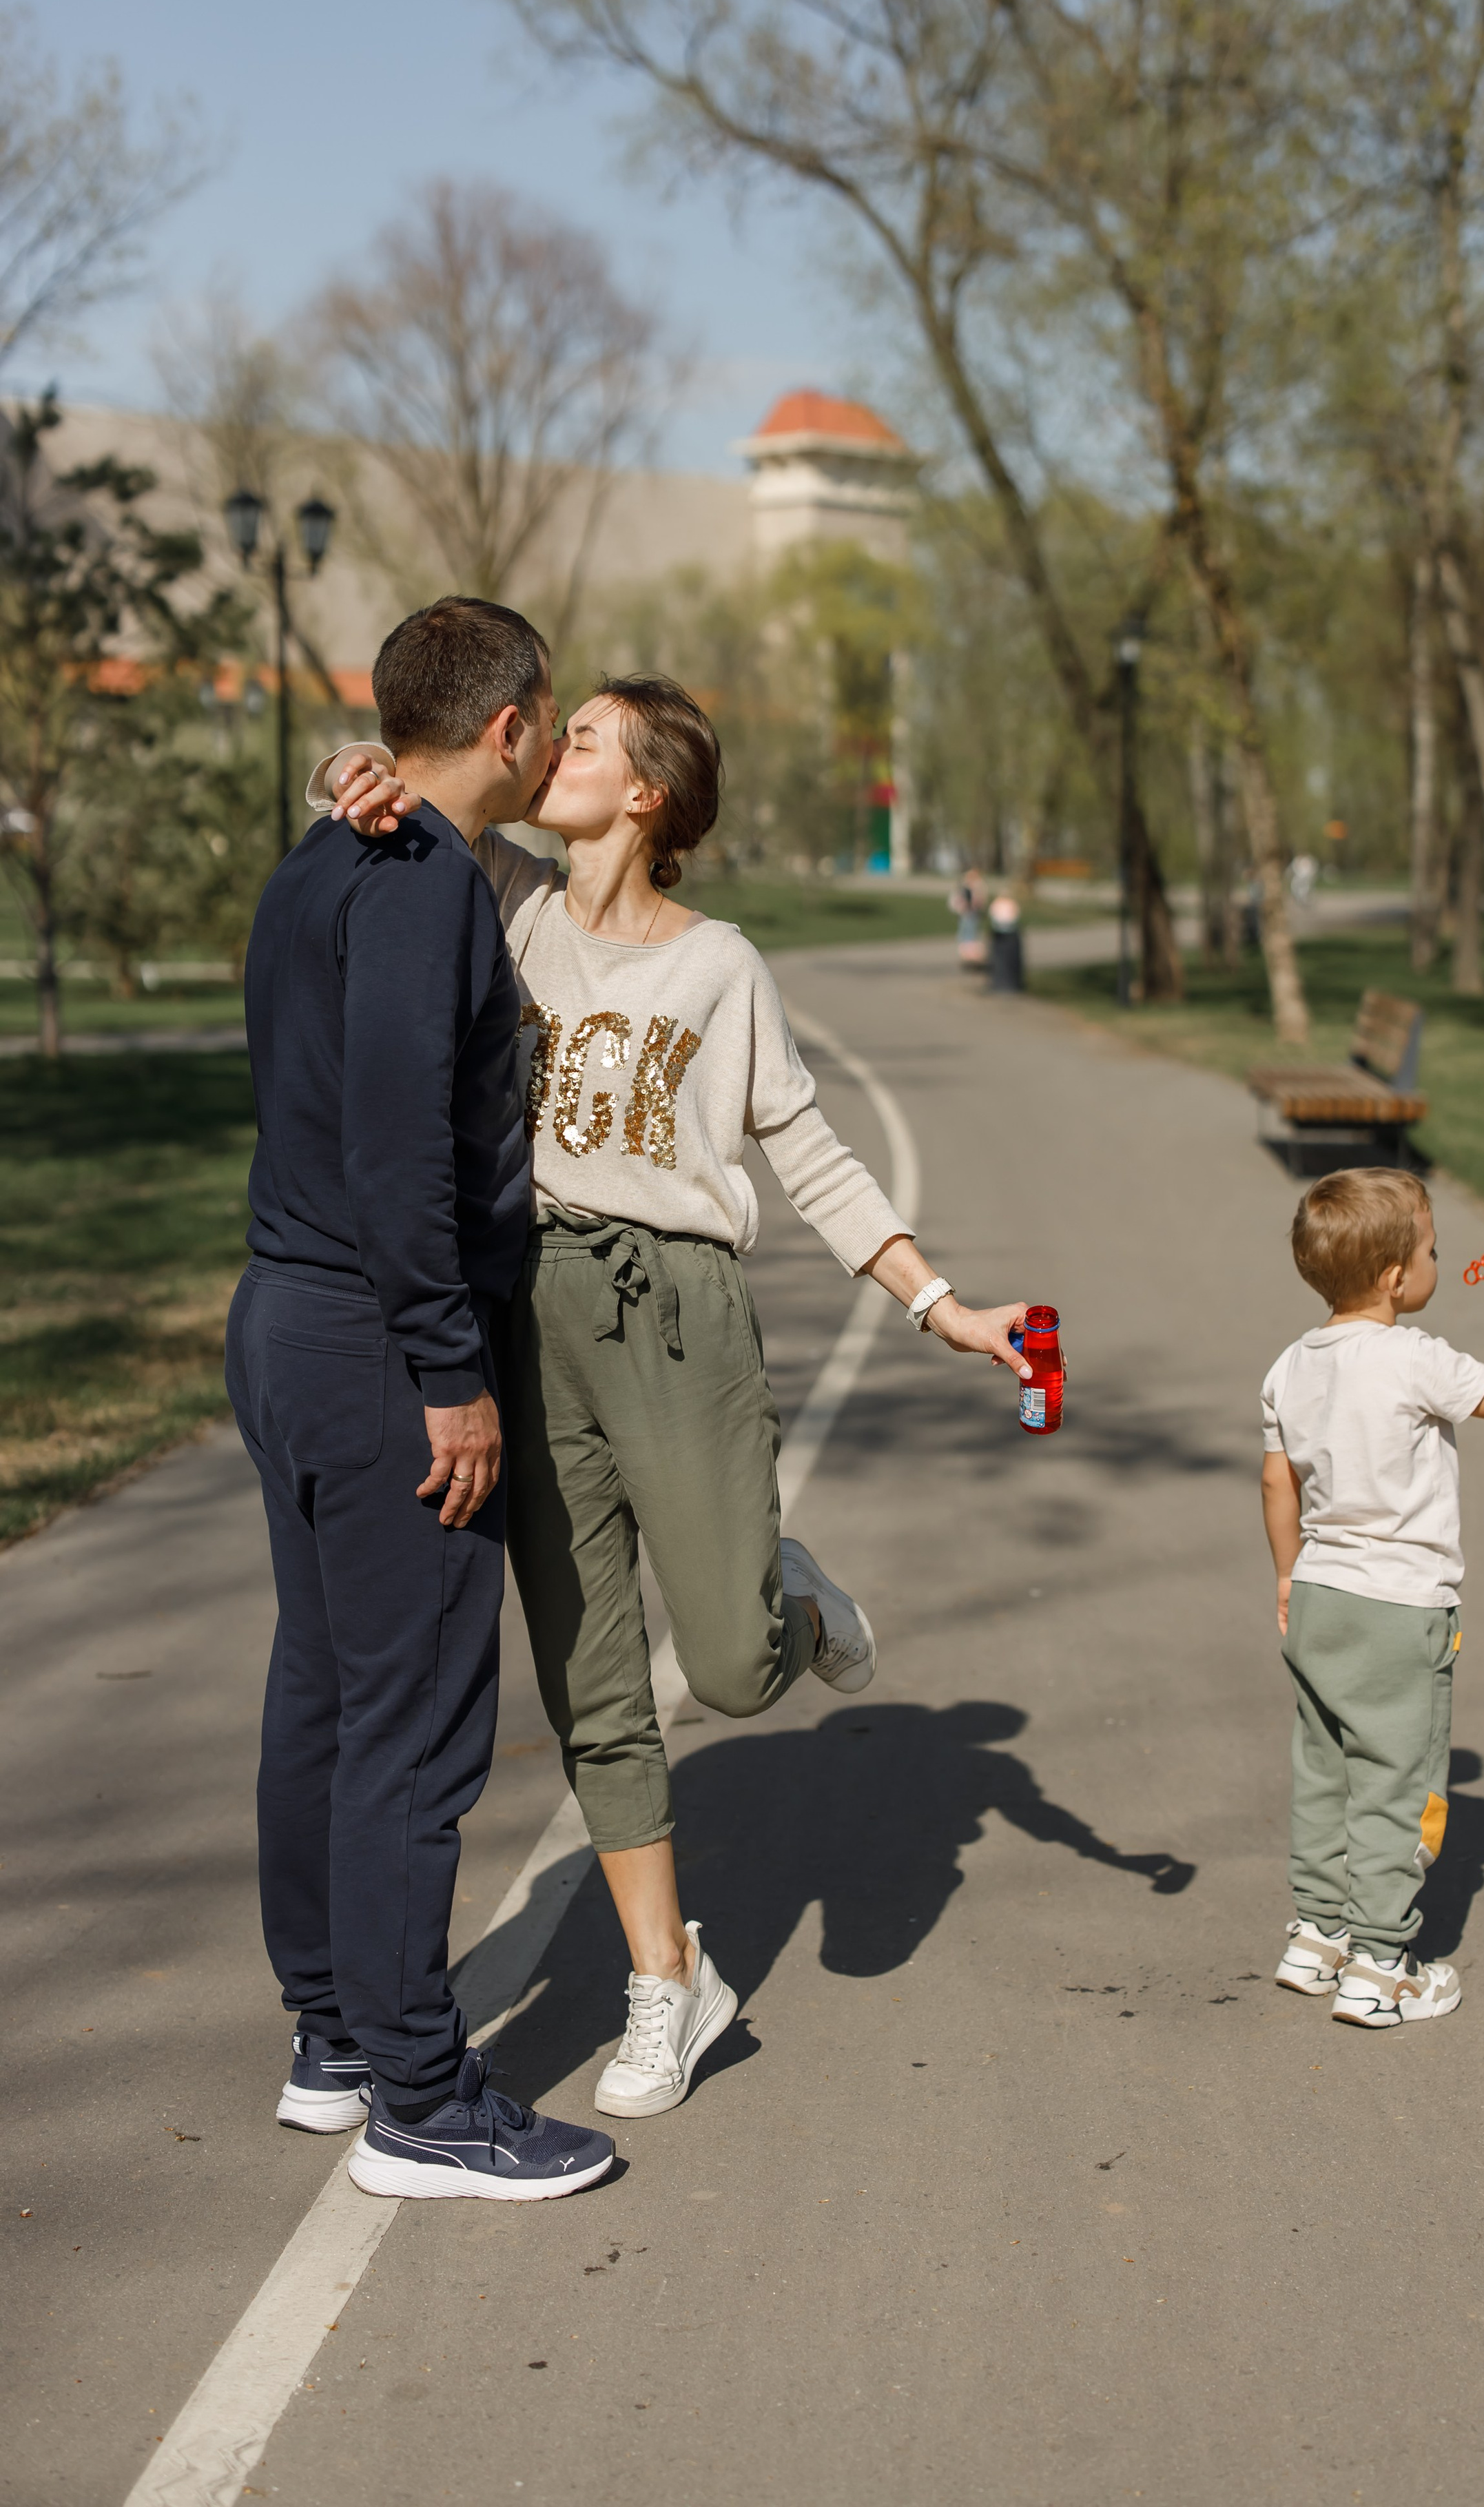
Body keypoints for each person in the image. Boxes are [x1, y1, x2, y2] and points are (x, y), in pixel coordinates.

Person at [317, 678, 1033, 2119]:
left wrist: (938, 1303)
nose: (551, 749)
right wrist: (351, 767)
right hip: (530, 1314)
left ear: (645, 793)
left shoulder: (720, 965)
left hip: (677, 1317)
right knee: (589, 1683)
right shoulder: (505, 899)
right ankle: (668, 1979)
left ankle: (792, 1604)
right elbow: (401, 788)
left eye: (582, 737)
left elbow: (806, 1147)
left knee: (728, 1671)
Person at [228, 595, 615, 2202]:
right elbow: (402, 1150)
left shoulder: (323, 855)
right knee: (413, 1724)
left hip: (288, 1320)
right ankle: (420, 2099)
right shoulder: (422, 884)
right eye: (550, 719)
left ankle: (333, 2035)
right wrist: (451, 1376)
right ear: (509, 726)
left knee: (326, 1692)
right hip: (376, 1345)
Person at [1258, 1169, 1484, 2030]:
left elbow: (1277, 1484)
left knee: (1324, 1771)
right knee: (1397, 1787)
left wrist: (1286, 1575)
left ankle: (1316, 1936)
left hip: (1318, 1594)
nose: (1439, 1260)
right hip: (1399, 1609)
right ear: (1396, 1278)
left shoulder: (1289, 1366)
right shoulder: (1411, 1357)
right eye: (1432, 1249)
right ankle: (1380, 1968)